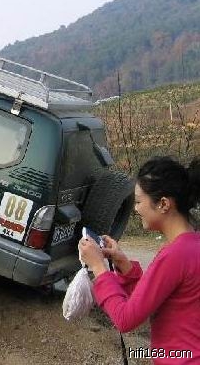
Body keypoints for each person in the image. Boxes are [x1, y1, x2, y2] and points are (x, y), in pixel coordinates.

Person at [79, 156, 200, 364]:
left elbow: (125, 319)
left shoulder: (175, 255)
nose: (136, 209)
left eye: (138, 202)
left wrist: (98, 267)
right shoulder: (191, 246)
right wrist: (123, 264)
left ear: (163, 204)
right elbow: (153, 300)